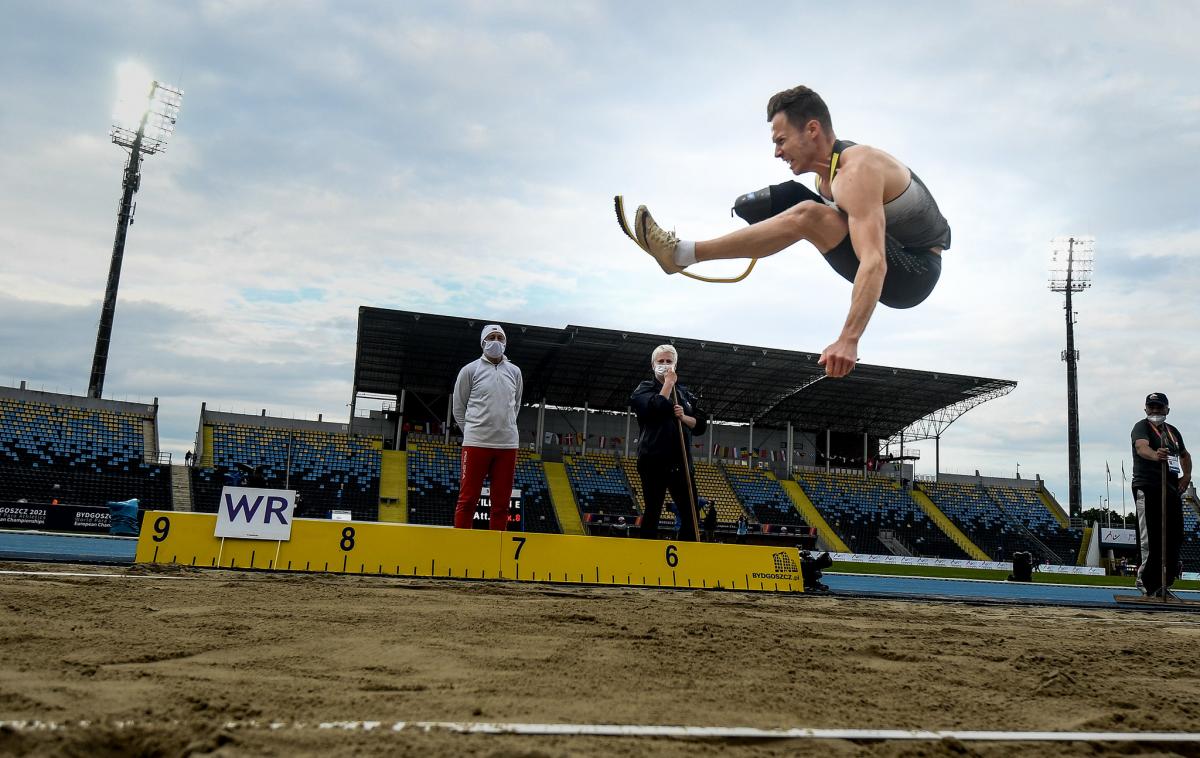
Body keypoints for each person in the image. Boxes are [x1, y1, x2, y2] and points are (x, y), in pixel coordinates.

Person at [627, 85, 950, 378]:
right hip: (896, 249)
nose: (777, 152)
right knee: (796, 202)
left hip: (915, 273)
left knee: (809, 213)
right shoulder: (825, 179)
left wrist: (848, 339)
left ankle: (681, 254)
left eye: (781, 141)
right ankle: (683, 253)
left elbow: (874, 262)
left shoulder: (855, 172)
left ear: (812, 130)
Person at [631, 345, 707, 541]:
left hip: (681, 462)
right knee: (653, 509)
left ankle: (687, 552)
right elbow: (654, 408)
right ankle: (647, 554)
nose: (665, 365)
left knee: (690, 512)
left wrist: (684, 417)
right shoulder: (643, 389)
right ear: (653, 365)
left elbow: (700, 425)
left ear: (675, 364)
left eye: (668, 361)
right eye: (661, 362)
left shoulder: (686, 394)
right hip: (653, 461)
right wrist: (668, 384)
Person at [452, 324, 523, 531]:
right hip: (476, 444)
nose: (496, 341)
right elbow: (459, 407)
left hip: (507, 445)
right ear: (483, 341)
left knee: (501, 505)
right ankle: (462, 548)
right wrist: (474, 432)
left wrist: (504, 426)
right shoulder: (470, 370)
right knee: (467, 501)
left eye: (500, 338)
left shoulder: (515, 372)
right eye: (491, 337)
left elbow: (515, 405)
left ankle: (496, 552)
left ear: (505, 342)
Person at [1131, 392, 1191, 598]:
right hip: (1148, 486)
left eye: (1159, 407)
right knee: (1151, 537)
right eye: (1152, 407)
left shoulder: (1173, 432)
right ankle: (1147, 583)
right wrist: (1155, 455)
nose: (1155, 411)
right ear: (1146, 408)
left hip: (1171, 488)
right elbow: (1141, 447)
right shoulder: (1142, 427)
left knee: (1175, 535)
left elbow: (1185, 455)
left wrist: (1187, 476)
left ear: (1167, 410)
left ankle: (1165, 582)